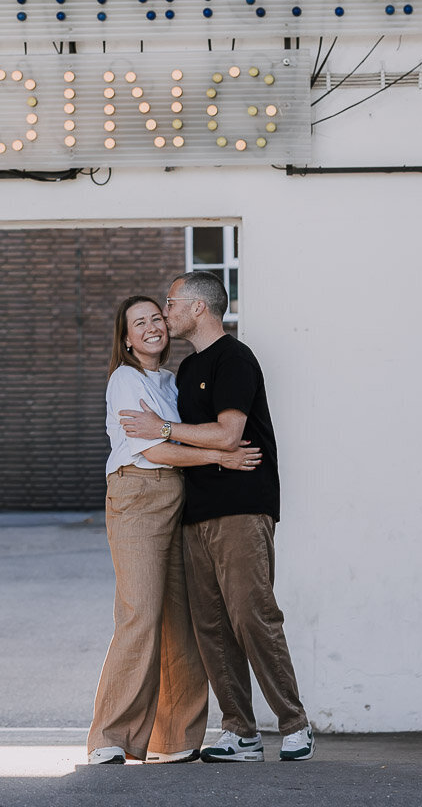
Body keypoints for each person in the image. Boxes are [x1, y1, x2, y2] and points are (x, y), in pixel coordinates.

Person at [119, 270, 314, 764]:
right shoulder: (186, 371)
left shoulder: (235, 358)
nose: (166, 313)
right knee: (211, 624)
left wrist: (163, 427)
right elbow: (190, 442)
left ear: (199, 308)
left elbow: (228, 435)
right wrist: (173, 437)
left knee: (253, 614)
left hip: (242, 508)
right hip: (195, 513)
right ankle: (240, 731)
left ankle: (294, 725)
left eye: (171, 303)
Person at [87, 294, 262, 766]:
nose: (151, 326)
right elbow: (156, 451)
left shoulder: (172, 380)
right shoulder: (126, 380)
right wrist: (220, 455)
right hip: (138, 495)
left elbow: (171, 435)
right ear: (125, 339)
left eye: (157, 318)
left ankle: (176, 739)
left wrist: (198, 444)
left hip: (178, 498)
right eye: (138, 322)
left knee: (182, 623)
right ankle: (111, 736)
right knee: (140, 614)